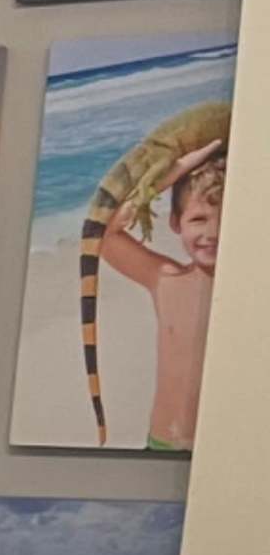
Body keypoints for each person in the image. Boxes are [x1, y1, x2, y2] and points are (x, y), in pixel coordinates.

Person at [86, 130, 226, 452]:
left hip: (221, 454)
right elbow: (106, 233)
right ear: (176, 222)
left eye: (224, 219)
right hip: (159, 444)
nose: (211, 233)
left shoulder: (251, 290)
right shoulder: (166, 279)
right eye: (198, 219)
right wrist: (171, 174)